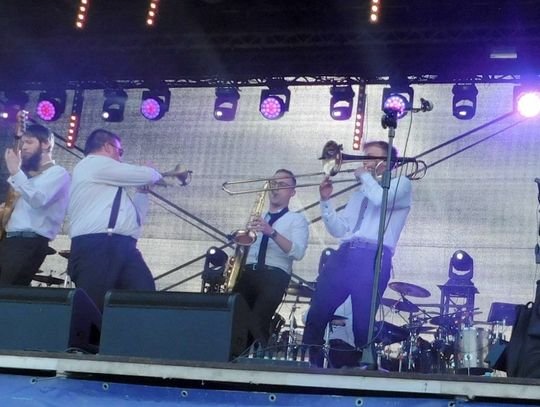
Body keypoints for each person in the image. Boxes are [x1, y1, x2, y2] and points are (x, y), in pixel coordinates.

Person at [303, 140, 412, 367]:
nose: (364, 162)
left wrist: (365, 176)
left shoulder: (401, 184)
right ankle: (312, 366)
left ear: (387, 162)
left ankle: (367, 367)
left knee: (362, 323)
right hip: (344, 255)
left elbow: (381, 199)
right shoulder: (360, 194)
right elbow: (340, 230)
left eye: (370, 157)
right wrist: (325, 201)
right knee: (316, 314)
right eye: (365, 157)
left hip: (372, 257)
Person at [67, 129, 163, 312]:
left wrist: (142, 193)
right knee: (95, 308)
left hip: (122, 245)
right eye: (120, 151)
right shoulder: (92, 163)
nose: (120, 157)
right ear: (107, 147)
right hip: (97, 245)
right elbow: (146, 175)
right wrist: (155, 174)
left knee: (144, 295)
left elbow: (136, 219)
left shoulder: (108, 183)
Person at [234, 169, 309, 347]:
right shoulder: (258, 217)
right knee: (236, 321)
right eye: (273, 183)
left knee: (257, 321)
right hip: (248, 273)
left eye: (282, 185)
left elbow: (298, 252)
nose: (275, 188)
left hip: (274, 276)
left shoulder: (296, 220)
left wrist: (271, 232)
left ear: (292, 192)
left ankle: (260, 357)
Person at [0, 124, 70, 285]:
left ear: (46, 144)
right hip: (9, 239)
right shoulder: (26, 177)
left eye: (29, 142)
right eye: (22, 142)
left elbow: (37, 200)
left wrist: (15, 172)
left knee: (8, 290)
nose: (23, 147)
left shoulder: (58, 173)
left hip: (28, 242)